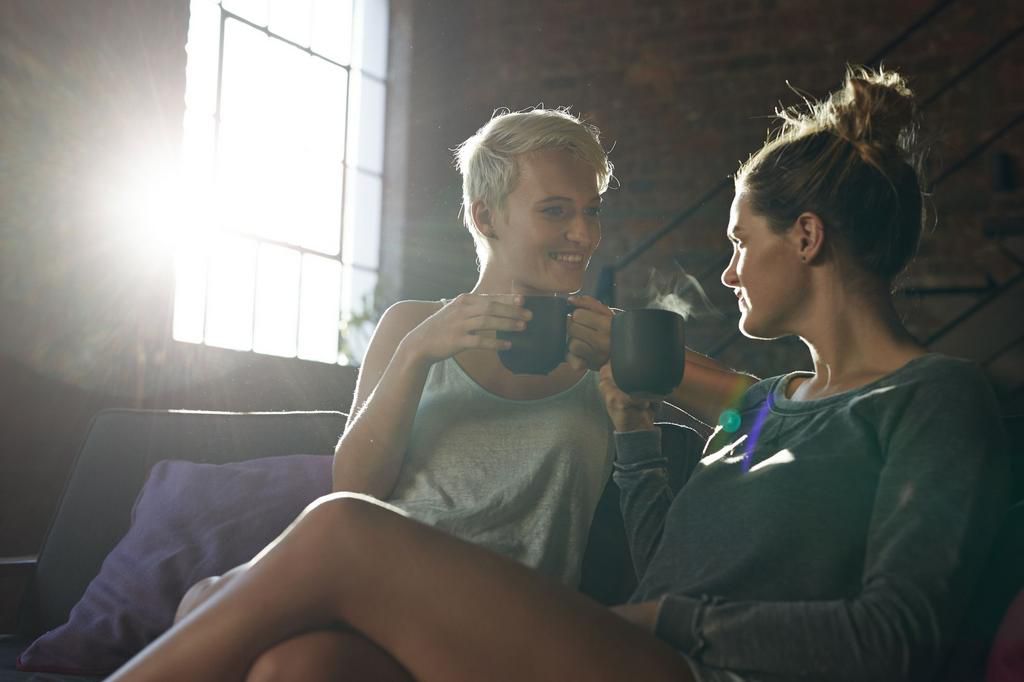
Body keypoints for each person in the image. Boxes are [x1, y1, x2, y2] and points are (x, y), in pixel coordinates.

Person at [108, 66, 1008, 682]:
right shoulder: (779, 409)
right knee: (297, 669)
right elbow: (668, 560)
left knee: (341, 527)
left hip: (690, 669)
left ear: (806, 238)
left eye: (740, 243)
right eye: (555, 209)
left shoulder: (932, 398)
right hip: (626, 649)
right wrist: (632, 433)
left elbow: (900, 636)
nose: (728, 271)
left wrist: (668, 624)